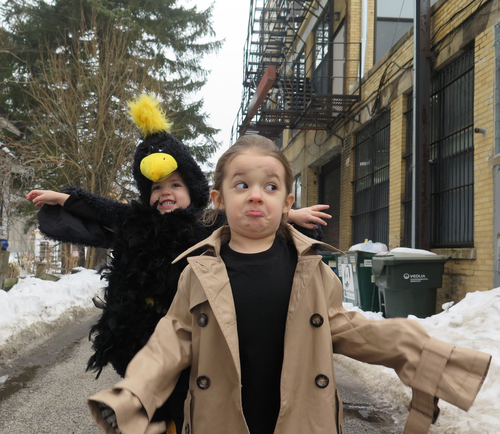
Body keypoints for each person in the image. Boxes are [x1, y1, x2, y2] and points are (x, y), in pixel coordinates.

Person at [87, 134, 491, 434]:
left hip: (303, 423)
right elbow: (169, 344)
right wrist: (134, 394)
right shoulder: (197, 272)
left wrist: (424, 354)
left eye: (270, 186)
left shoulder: (312, 271)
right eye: (241, 185)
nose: (256, 196)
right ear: (218, 199)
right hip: (219, 422)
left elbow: (353, 330)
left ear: (287, 202)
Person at [27, 96, 330, 434]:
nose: (165, 193)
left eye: (175, 185)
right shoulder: (137, 223)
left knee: (188, 399)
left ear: (193, 191)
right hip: (144, 336)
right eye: (157, 188)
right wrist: (65, 198)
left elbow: (247, 216)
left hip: (193, 330)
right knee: (153, 391)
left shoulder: (205, 223)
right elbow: (105, 209)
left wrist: (290, 215)